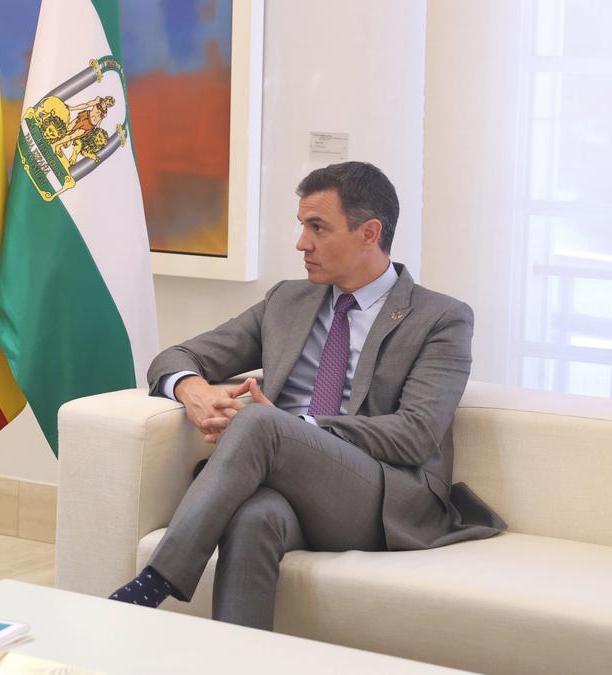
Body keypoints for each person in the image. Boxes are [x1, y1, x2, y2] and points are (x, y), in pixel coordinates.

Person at [108, 161, 505, 629]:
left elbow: (417, 435)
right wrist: (191, 389)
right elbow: (176, 355)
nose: (302, 243)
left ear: (369, 232)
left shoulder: (441, 319)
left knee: (259, 421)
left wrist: (296, 427)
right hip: (289, 490)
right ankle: (239, 661)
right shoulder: (287, 302)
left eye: (318, 227)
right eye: (302, 226)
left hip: (381, 496)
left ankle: (151, 585)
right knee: (254, 516)